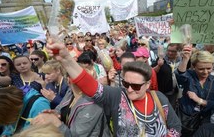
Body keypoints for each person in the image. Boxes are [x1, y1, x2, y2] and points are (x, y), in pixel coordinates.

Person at [44, 40, 181, 136]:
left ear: (147, 84)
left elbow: (175, 127)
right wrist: (66, 59)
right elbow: (89, 84)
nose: (130, 89)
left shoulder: (159, 98)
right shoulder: (118, 96)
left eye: (136, 86)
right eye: (126, 84)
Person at [31, 76, 111, 137]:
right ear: (68, 80)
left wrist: (55, 122)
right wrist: (55, 113)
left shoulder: (92, 103)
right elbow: (60, 108)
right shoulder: (70, 92)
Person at [175, 47, 214, 136]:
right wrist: (185, 59)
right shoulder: (189, 75)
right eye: (201, 69)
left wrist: (201, 101)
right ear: (194, 67)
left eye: (209, 68)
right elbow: (180, 75)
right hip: (186, 119)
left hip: (206, 121)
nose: (205, 72)